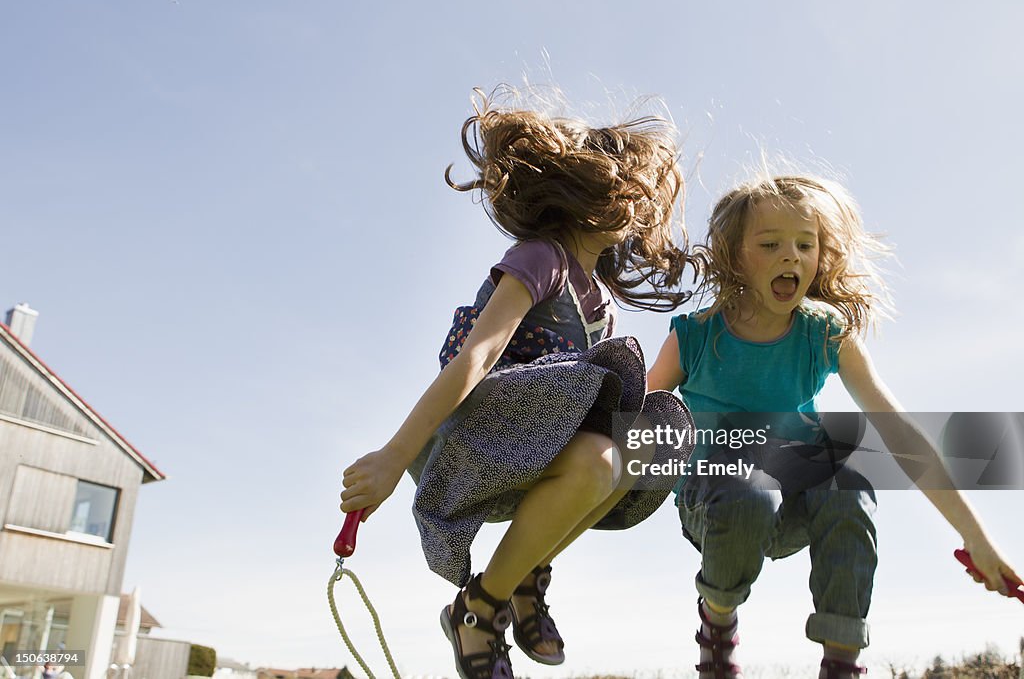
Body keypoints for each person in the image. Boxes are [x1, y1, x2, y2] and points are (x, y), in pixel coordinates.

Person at [340, 87, 697, 679]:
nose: (643, 211)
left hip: (548, 453)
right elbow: (475, 358)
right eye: (634, 193)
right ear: (594, 193)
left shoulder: (601, 299)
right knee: (609, 394)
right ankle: (479, 610)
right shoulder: (541, 259)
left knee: (648, 438)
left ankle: (526, 572)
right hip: (489, 442)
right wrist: (391, 457)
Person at [646, 174, 1022, 679]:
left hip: (798, 501)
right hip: (718, 505)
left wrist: (976, 536)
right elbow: (633, 427)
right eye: (771, 244)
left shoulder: (825, 333)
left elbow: (900, 434)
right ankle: (717, 622)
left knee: (849, 475)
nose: (791, 257)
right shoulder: (694, 336)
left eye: (806, 245)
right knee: (748, 489)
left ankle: (841, 661)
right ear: (737, 256)